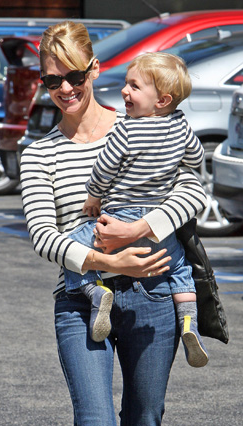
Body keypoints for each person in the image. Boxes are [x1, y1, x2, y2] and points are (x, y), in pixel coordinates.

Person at [20, 20, 207, 426]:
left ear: (94, 69)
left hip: (152, 299)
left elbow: (197, 191)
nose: (64, 89)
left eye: (73, 76)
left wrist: (142, 230)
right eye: (53, 81)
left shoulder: (143, 127)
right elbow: (41, 233)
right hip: (81, 303)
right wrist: (102, 257)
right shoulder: (40, 150)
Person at [62, 52, 208, 367]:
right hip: (159, 224)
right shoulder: (182, 128)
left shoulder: (126, 130)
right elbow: (196, 160)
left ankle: (95, 291)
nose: (125, 91)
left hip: (119, 217)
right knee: (180, 269)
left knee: (73, 245)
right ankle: (188, 324)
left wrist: (93, 196)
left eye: (134, 86)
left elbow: (104, 168)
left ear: (161, 99)